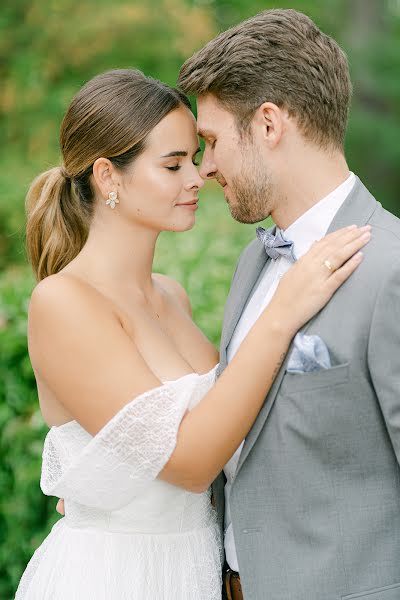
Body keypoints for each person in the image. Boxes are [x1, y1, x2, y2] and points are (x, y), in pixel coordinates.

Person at [14, 68, 367, 600]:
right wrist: (283, 311)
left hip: (196, 568)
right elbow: (190, 464)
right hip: (117, 578)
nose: (197, 178)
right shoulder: (63, 302)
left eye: (194, 159)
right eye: (174, 164)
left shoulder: (171, 295)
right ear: (108, 177)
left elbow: (230, 433)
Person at [178, 8, 400, 600]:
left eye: (212, 141)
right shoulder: (254, 263)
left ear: (270, 124)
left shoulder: (391, 270)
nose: (206, 167)